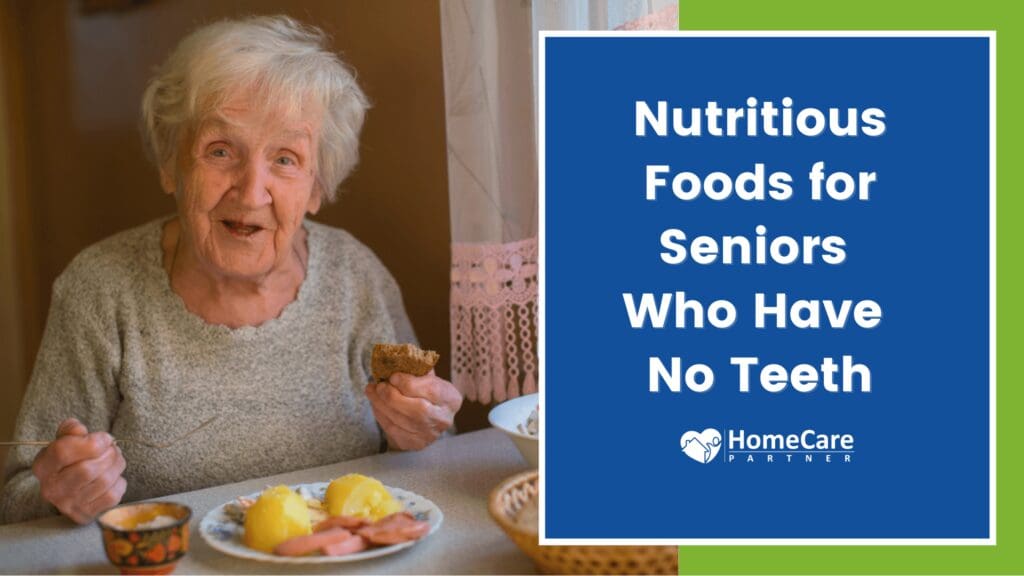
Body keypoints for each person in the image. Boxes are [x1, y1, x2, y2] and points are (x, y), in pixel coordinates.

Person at [0, 15, 462, 525]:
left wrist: (418, 434)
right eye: (221, 151)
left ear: (316, 188)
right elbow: (19, 499)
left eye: (285, 159)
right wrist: (61, 494)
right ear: (171, 164)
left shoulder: (356, 277)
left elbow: (427, 465)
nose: (249, 192)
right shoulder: (100, 290)